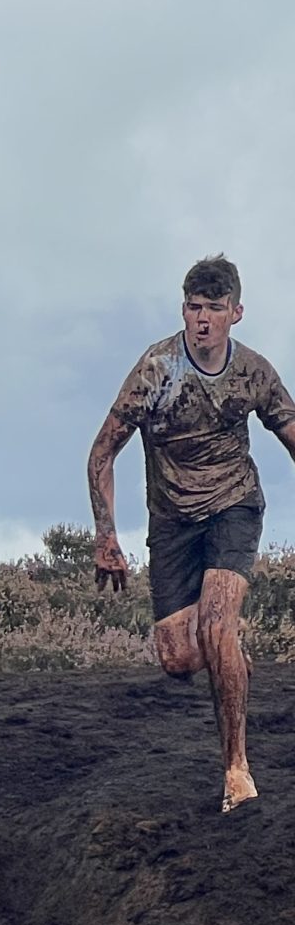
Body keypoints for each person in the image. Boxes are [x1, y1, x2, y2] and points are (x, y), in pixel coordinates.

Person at [86, 255, 295, 814]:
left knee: (217, 623)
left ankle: (236, 769)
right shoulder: (156, 368)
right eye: (193, 307)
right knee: (180, 657)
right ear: (184, 309)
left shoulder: (253, 372)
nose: (202, 319)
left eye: (214, 308)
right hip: (172, 519)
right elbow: (102, 451)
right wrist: (106, 535)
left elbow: (290, 430)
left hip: (234, 507)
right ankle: (229, 658)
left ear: (236, 313)